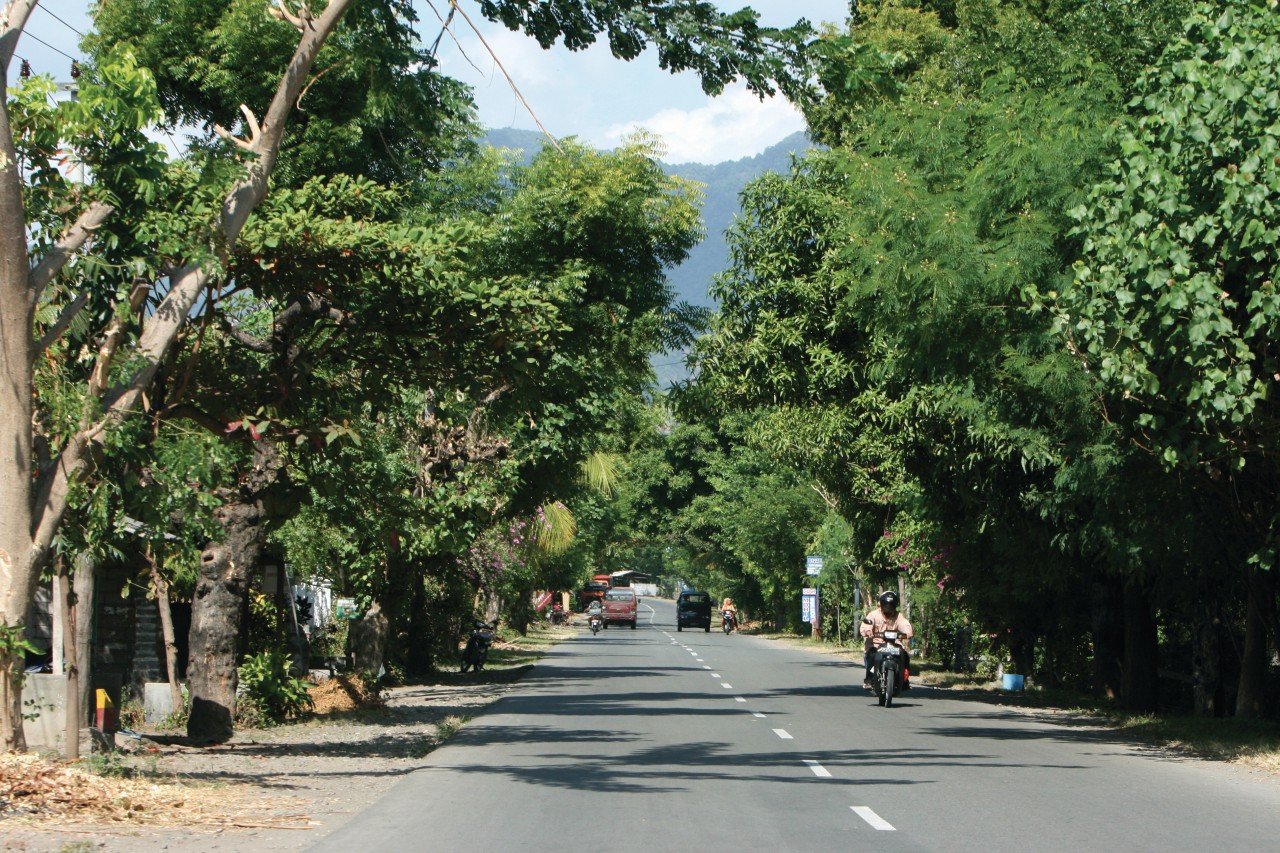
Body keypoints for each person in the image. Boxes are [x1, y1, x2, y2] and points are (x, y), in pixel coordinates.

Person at [860, 590, 914, 689]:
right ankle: (869, 680)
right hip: (876, 645)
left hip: (894, 645)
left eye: (891, 605)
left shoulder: (898, 616)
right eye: (885, 605)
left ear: (895, 606)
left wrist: (908, 632)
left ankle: (904, 680)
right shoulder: (873, 615)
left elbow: (904, 624)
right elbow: (866, 625)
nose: (888, 607)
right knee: (872, 655)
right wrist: (868, 631)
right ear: (881, 604)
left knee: (905, 656)